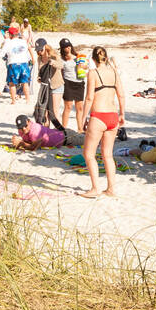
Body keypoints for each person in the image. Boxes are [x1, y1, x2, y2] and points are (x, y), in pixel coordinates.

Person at [78, 46, 126, 198]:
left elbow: (89, 98)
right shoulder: (114, 72)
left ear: (92, 60)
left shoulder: (93, 73)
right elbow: (121, 95)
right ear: (106, 57)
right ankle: (111, 189)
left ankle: (94, 189)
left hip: (98, 116)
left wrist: (83, 118)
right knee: (108, 155)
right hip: (113, 116)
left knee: (88, 154)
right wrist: (122, 114)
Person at [0, 26, 33, 104]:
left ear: (10, 35)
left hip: (13, 64)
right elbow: (28, 50)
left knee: (12, 84)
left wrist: (5, 57)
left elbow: (1, 54)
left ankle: (13, 101)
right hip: (24, 63)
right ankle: (28, 100)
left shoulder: (8, 42)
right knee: (25, 83)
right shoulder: (23, 41)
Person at [59, 39, 86, 129]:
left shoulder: (78, 56)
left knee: (80, 108)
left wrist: (83, 65)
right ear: (62, 48)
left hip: (79, 83)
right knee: (68, 106)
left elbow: (85, 67)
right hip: (68, 83)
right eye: (66, 47)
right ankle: (64, 129)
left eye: (69, 45)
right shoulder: (61, 59)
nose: (68, 48)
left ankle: (80, 129)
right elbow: (60, 71)